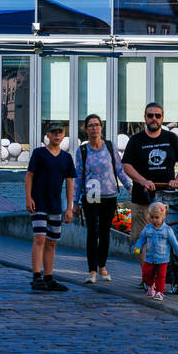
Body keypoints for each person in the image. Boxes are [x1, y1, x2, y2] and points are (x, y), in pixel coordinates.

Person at [122, 101, 178, 246]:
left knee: (165, 239)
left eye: (157, 115)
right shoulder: (135, 140)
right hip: (142, 199)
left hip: (166, 199)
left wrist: (177, 181)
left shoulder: (171, 138)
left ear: (162, 118)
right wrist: (143, 181)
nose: (154, 118)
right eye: (150, 115)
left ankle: (162, 267)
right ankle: (146, 269)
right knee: (140, 239)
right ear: (145, 117)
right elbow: (126, 165)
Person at [74, 113, 130, 284]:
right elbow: (78, 177)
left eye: (97, 125)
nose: (94, 128)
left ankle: (102, 267)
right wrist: (74, 203)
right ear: (85, 129)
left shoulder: (110, 146)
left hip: (109, 194)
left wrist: (130, 187)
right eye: (90, 125)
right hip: (91, 193)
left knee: (105, 232)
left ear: (101, 127)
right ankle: (91, 271)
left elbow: (119, 170)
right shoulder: (82, 151)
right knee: (92, 232)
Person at [24, 121, 75, 292]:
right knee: (40, 239)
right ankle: (37, 276)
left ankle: (49, 276)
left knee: (52, 242)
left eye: (60, 132)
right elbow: (29, 176)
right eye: (54, 132)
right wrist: (28, 197)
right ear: (47, 135)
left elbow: (69, 183)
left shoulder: (66, 158)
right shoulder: (39, 154)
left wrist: (69, 207)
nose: (57, 135)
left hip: (55, 205)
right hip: (39, 203)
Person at [131, 201, 178, 301]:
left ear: (163, 216)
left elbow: (174, 243)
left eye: (157, 218)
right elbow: (142, 239)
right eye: (152, 217)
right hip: (149, 257)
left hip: (162, 258)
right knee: (146, 274)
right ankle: (151, 285)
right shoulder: (147, 228)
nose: (154, 220)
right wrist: (137, 246)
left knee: (161, 276)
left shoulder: (167, 230)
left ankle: (159, 292)